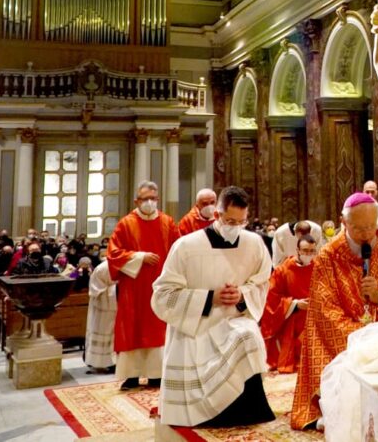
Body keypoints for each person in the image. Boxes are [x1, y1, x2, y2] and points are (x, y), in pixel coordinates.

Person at [151, 186, 275, 428]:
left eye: (242, 221)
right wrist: (209, 298)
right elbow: (163, 296)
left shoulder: (254, 243)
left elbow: (262, 282)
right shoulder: (187, 246)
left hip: (235, 318)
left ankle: (247, 410)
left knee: (248, 336)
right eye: (230, 221)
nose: (235, 227)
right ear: (216, 215)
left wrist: (242, 294)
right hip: (197, 325)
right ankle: (209, 414)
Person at [291, 192, 378, 431]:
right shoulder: (328, 256)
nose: (367, 234)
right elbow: (324, 307)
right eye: (359, 229)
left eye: (371, 227)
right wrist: (359, 333)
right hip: (342, 334)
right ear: (343, 222)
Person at [106, 180, 180, 390]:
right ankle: (131, 376)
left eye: (153, 199)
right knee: (132, 328)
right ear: (136, 200)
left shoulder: (167, 223)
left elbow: (178, 251)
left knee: (157, 327)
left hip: (160, 285)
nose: (149, 203)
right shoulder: (126, 224)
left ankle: (157, 374)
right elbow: (113, 253)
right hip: (134, 287)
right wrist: (139, 257)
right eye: (145, 199)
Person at [261, 234, 316, 373]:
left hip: (315, 314)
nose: (308, 254)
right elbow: (271, 299)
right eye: (305, 250)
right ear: (297, 250)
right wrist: (294, 304)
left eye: (311, 251)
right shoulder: (282, 270)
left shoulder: (318, 268)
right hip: (290, 317)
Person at [85, 259, 117, 373]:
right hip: (103, 310)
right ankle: (102, 361)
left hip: (118, 308)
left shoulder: (127, 266)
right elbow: (95, 291)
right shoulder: (102, 268)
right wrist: (117, 289)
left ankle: (115, 362)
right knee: (104, 333)